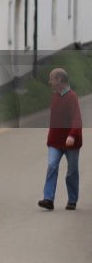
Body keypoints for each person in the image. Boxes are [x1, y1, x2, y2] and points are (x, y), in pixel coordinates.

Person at [38, 68, 83, 211]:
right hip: (55, 141)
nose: (49, 81)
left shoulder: (72, 97)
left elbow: (77, 120)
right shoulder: (54, 96)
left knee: (72, 171)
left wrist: (71, 135)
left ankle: (72, 200)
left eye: (51, 78)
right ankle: (48, 199)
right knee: (52, 166)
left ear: (59, 80)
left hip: (71, 142)